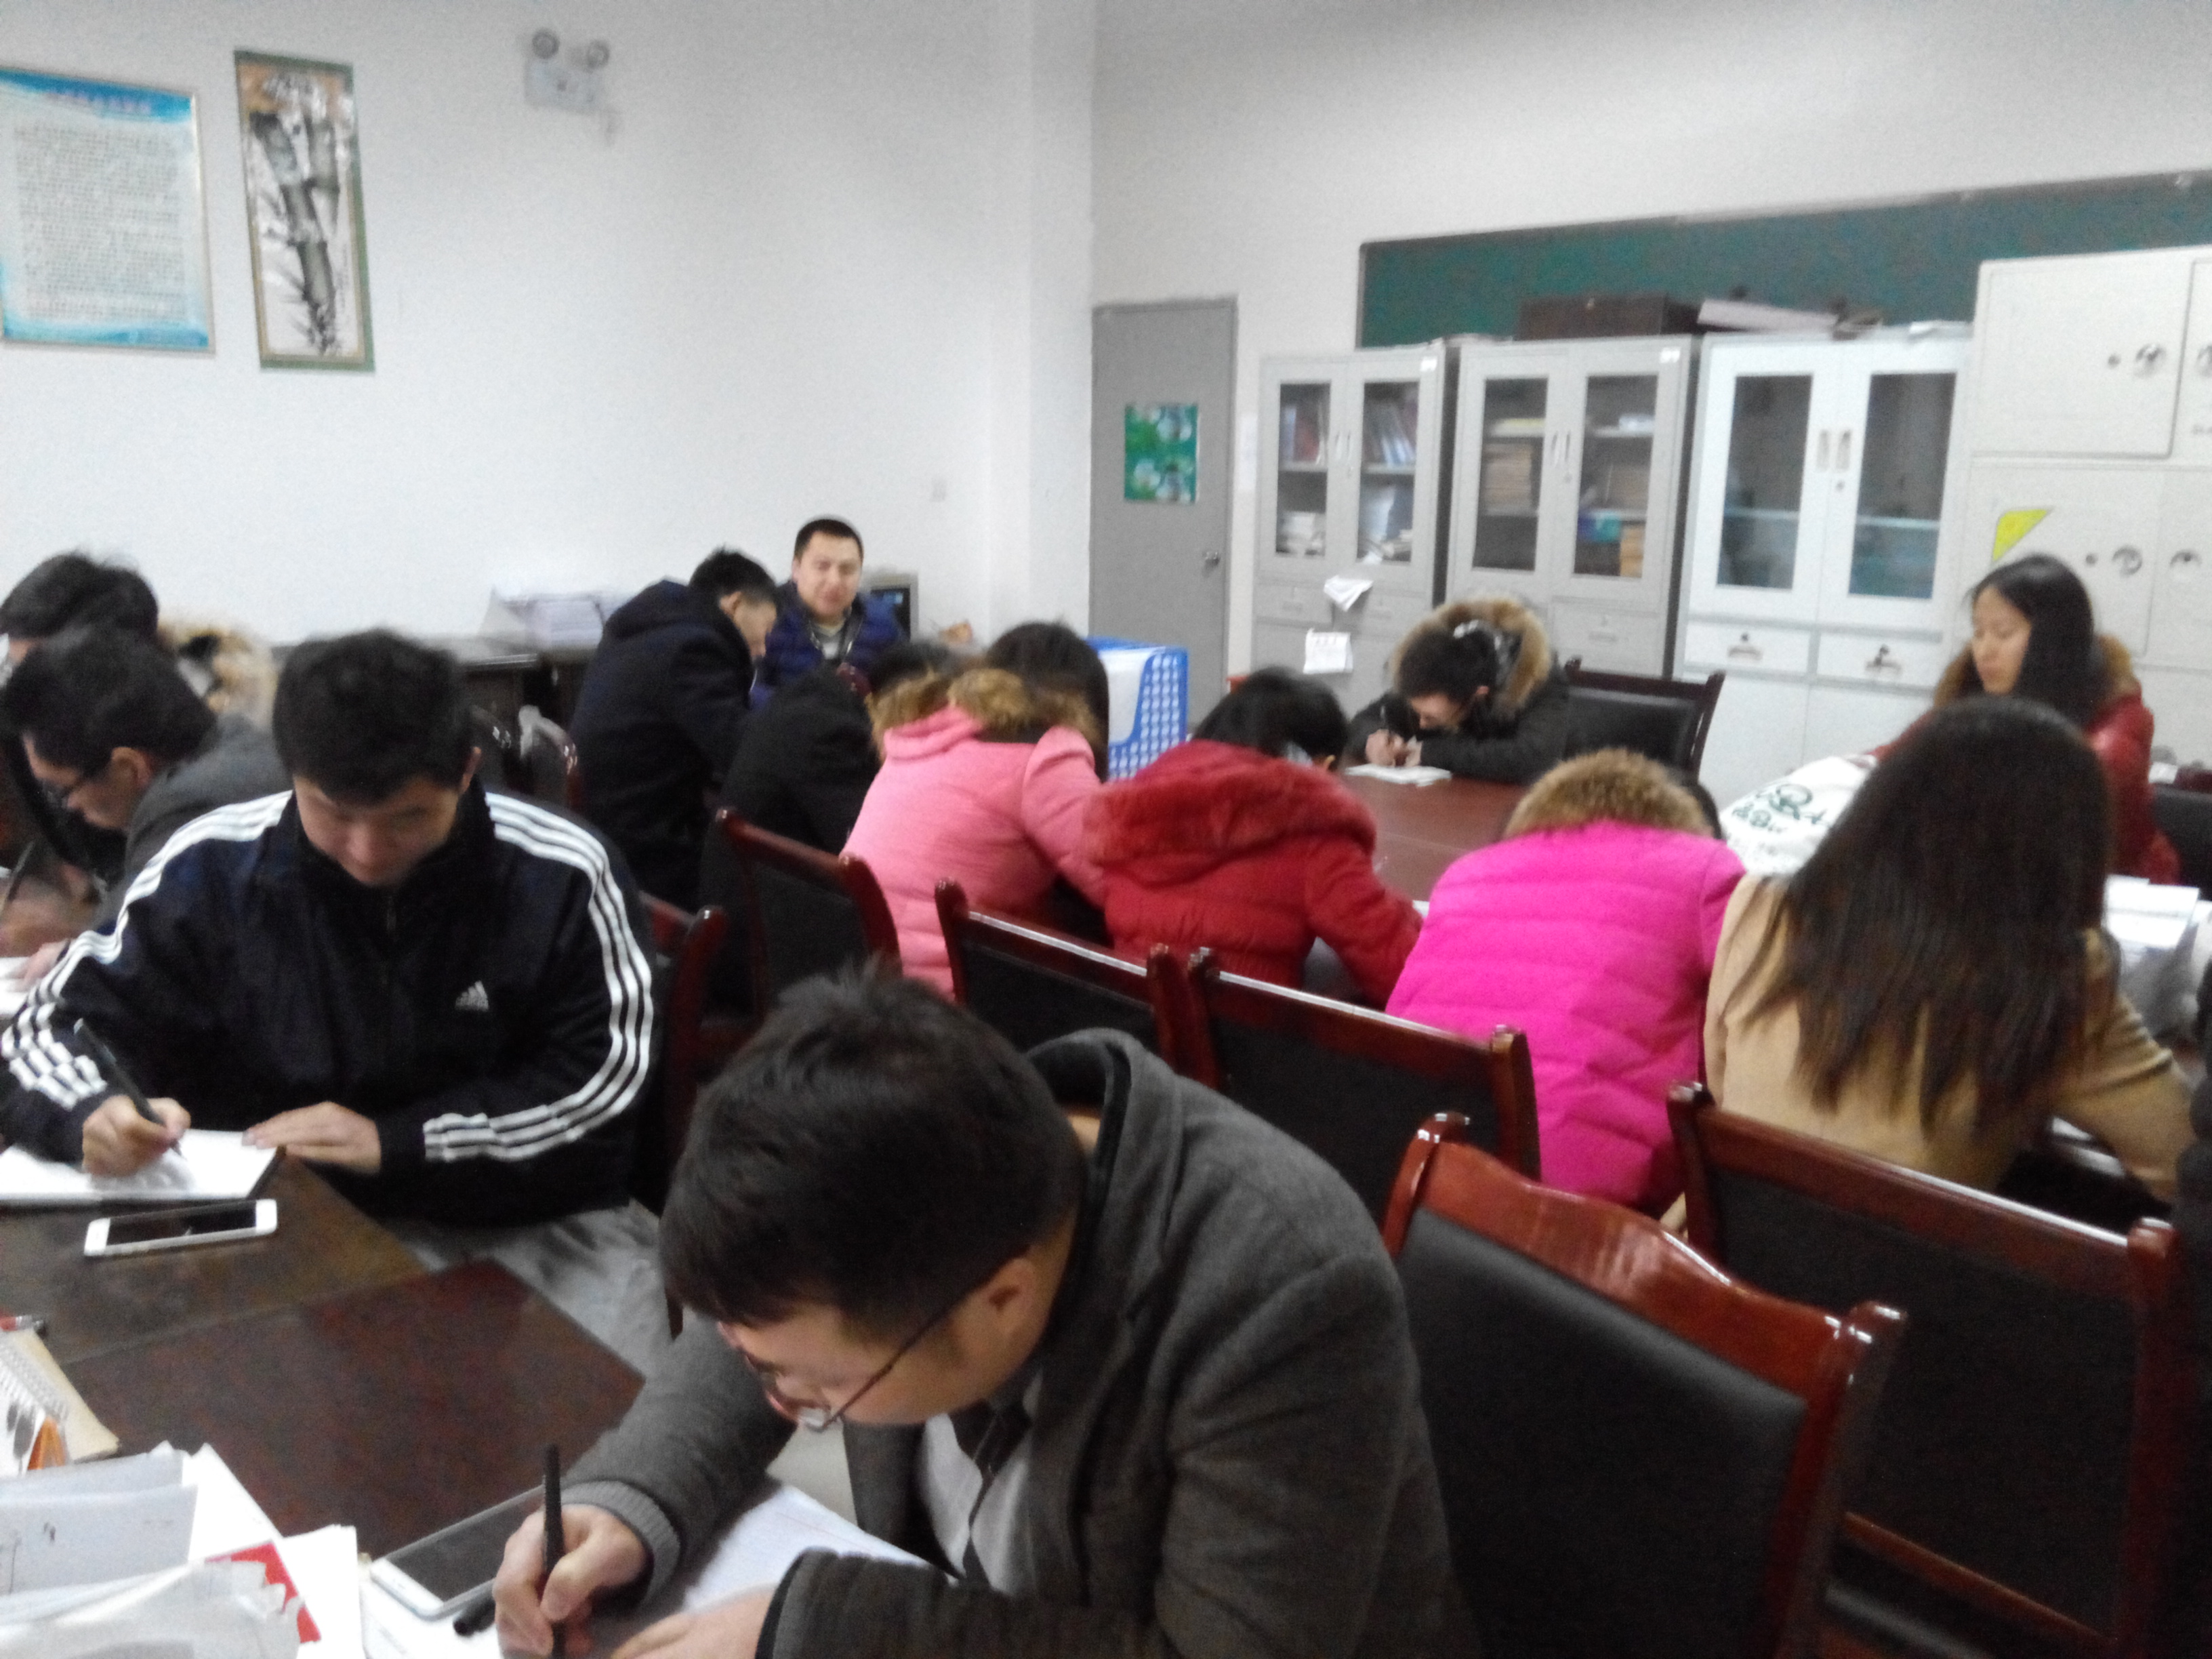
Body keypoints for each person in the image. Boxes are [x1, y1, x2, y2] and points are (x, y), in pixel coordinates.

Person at [491, 971, 1449, 1659]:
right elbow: (762, 1316)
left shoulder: (1280, 1296)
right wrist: (633, 1497)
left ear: (1003, 1300)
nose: (785, 1399)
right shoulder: (928, 1159)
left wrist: (814, 1628)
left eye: (820, 1393)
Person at [0, 630, 665, 1366]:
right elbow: (47, 1025)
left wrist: (398, 1142)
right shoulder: (211, 866)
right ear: (294, 775)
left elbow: (601, 1091)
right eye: (335, 814)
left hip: (533, 1217)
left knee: (600, 1419)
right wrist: (90, 1111)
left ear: (466, 771)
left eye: (408, 818)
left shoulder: (563, 872)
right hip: (289, 1219)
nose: (367, 853)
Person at [1704, 698, 2193, 1200]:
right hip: (1902, 1248)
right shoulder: (2051, 972)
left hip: (1712, 1239)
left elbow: (1722, 1089)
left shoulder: (1761, 906)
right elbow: (2183, 1161)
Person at [1389, 748, 1742, 1212]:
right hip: (1589, 1213)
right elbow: (1753, 1027)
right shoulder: (1706, 868)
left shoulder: (1466, 872)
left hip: (1421, 1176)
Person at [1084, 668, 1421, 1001]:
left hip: (1137, 1020)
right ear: (1322, 766)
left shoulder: (1133, 808)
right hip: (1246, 1031)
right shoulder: (1310, 828)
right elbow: (1403, 973)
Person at [844, 624, 1109, 991]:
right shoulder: (1045, 753)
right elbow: (1115, 885)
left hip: (863, 979)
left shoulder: (922, 733)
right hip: (946, 999)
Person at [1908, 553, 2178, 882]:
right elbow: (1905, 755)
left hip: (2110, 888)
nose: (1984, 650)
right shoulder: (1973, 687)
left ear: (2053, 640)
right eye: (1978, 632)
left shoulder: (2112, 730)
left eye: (2003, 633)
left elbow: (2029, 827)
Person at [0, 626, 290, 926]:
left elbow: (123, 939)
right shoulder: (240, 742)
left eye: (60, 790)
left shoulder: (189, 816)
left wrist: (62, 927)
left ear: (130, 768)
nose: (69, 807)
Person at [573, 548, 782, 906]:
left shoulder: (646, 629)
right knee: (784, 882)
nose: (763, 649)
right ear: (735, 605)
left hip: (608, 833)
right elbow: (743, 755)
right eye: (765, 631)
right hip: (645, 855)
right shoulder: (693, 649)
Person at [711, 641, 957, 857]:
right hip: (769, 890)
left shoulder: (818, 698)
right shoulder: (835, 735)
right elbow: (866, 842)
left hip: (757, 877)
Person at [1344, 597, 1570, 784]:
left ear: (1477, 696)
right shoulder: (1433, 670)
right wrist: (1372, 740)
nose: (1421, 724)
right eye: (1419, 714)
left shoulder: (1537, 679)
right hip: (1445, 799)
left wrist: (1434, 753)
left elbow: (1532, 756)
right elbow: (1362, 721)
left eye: (1430, 717)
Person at [751, 518, 903, 703]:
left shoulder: (882, 622)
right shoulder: (766, 619)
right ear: (796, 569)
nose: (835, 581)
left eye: (847, 569)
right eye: (822, 567)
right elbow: (748, 695)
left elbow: (906, 686)